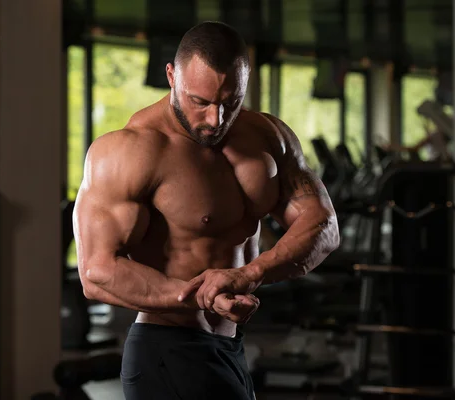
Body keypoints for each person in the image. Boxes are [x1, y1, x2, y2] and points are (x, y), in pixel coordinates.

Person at [73, 21, 340, 400]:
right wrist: (200, 295)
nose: (215, 120)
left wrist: (251, 273)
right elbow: (96, 272)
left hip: (230, 347)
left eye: (230, 102)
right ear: (171, 76)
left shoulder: (268, 136)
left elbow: (323, 225)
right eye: (200, 101)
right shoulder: (130, 151)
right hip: (167, 347)